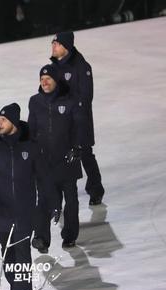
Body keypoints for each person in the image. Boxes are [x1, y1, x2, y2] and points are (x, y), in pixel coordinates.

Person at [0, 103, 60, 290]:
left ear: (13, 122)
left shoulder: (30, 146)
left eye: (3, 120)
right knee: (8, 252)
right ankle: (15, 286)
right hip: (0, 210)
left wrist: (55, 203)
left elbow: (44, 178)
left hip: (24, 210)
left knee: (22, 251)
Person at [28, 64, 88, 252]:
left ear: (56, 80)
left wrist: (77, 147)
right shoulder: (35, 101)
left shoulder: (70, 101)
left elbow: (80, 127)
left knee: (70, 201)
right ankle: (41, 238)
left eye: (48, 79)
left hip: (67, 160)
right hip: (44, 161)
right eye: (41, 79)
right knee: (44, 200)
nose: (44, 82)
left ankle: (69, 236)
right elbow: (31, 129)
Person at [50, 31, 105, 205]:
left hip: (79, 121)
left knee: (85, 155)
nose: (53, 46)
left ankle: (96, 189)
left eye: (56, 44)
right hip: (61, 122)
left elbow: (86, 97)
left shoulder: (82, 67)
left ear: (66, 46)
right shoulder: (55, 67)